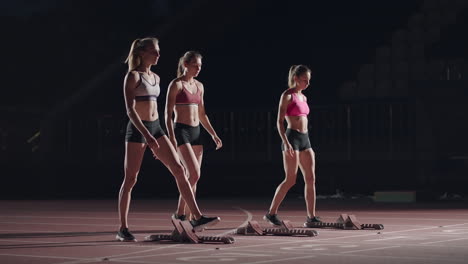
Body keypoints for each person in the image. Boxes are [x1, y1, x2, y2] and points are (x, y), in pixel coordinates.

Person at [117, 37, 220, 242]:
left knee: (180, 170)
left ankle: (196, 217)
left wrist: (157, 135)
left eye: (159, 51)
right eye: (154, 51)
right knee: (131, 179)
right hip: (139, 130)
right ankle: (123, 227)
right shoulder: (133, 76)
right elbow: (130, 110)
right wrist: (146, 136)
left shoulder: (156, 77)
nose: (158, 55)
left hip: (156, 128)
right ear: (142, 52)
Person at [165, 51, 223, 222]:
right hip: (181, 131)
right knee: (194, 174)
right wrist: (171, 137)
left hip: (196, 132)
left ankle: (185, 216)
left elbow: (202, 114)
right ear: (185, 65)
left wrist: (214, 134)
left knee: (194, 178)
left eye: (200, 66)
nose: (198, 69)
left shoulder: (199, 86)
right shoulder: (176, 85)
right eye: (195, 65)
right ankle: (183, 213)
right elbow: (167, 114)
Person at [264, 65, 321, 227]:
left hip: (305, 139)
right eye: (304, 80)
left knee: (311, 178)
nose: (307, 83)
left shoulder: (303, 97)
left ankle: (311, 217)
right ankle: (271, 213)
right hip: (292, 138)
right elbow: (279, 121)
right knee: (290, 179)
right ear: (295, 78)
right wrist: (286, 142)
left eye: (309, 81)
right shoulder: (287, 96)